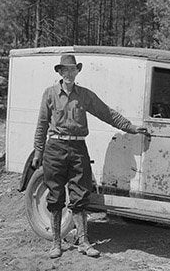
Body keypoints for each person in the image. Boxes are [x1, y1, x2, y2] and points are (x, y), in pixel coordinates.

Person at [33, 53, 149, 259]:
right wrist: (38, 151)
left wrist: (130, 127)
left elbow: (107, 113)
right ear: (59, 72)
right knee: (55, 195)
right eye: (65, 70)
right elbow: (42, 124)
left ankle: (84, 242)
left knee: (80, 194)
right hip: (55, 148)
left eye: (72, 70)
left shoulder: (85, 95)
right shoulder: (49, 94)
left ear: (77, 71)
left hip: (78, 149)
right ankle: (56, 243)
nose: (69, 74)